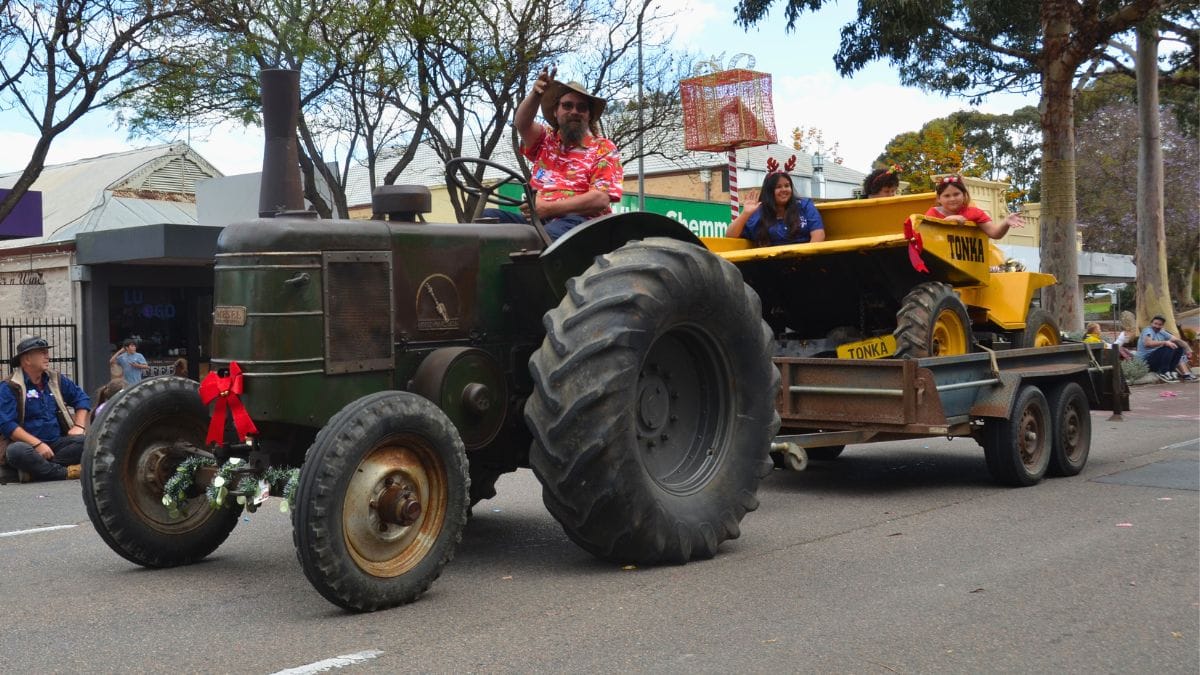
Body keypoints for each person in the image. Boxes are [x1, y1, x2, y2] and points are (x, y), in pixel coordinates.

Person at [482, 67, 623, 241]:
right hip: (538, 221)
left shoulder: (603, 148)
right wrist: (536, 94)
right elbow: (522, 124)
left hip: (581, 224)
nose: (574, 111)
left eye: (582, 107)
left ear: (589, 116)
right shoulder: (545, 140)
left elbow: (600, 199)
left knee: (538, 237)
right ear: (555, 111)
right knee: (486, 220)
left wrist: (548, 208)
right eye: (567, 105)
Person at [0, 336, 92, 483]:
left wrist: (79, 426)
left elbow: (81, 398)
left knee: (87, 441)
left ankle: (35, 472)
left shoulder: (55, 379)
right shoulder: (9, 386)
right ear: (27, 359)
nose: (47, 356)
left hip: (57, 444)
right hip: (28, 446)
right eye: (42, 352)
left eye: (47, 352)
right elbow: (7, 425)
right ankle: (65, 472)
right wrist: (38, 444)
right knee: (16, 451)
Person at [725, 158, 826, 246]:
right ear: (769, 191)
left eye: (787, 186)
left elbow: (819, 235)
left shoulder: (805, 205)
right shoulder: (758, 212)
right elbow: (730, 235)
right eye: (778, 187)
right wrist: (745, 213)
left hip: (805, 258)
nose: (784, 190)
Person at [926, 175, 1022, 239]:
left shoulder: (975, 213)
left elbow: (995, 233)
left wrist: (1006, 222)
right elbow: (927, 237)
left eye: (956, 194)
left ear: (964, 195)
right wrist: (947, 221)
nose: (952, 199)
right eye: (947, 196)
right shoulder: (932, 213)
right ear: (939, 199)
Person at [1136, 315, 1197, 383]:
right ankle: (1163, 372)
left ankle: (1170, 371)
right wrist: (1165, 342)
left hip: (1156, 360)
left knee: (1178, 347)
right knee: (1169, 346)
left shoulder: (1162, 332)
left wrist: (1188, 350)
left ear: (1162, 326)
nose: (1157, 326)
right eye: (1155, 323)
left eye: (1160, 325)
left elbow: (1178, 340)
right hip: (1145, 362)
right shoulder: (1147, 330)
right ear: (1151, 323)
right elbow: (1147, 343)